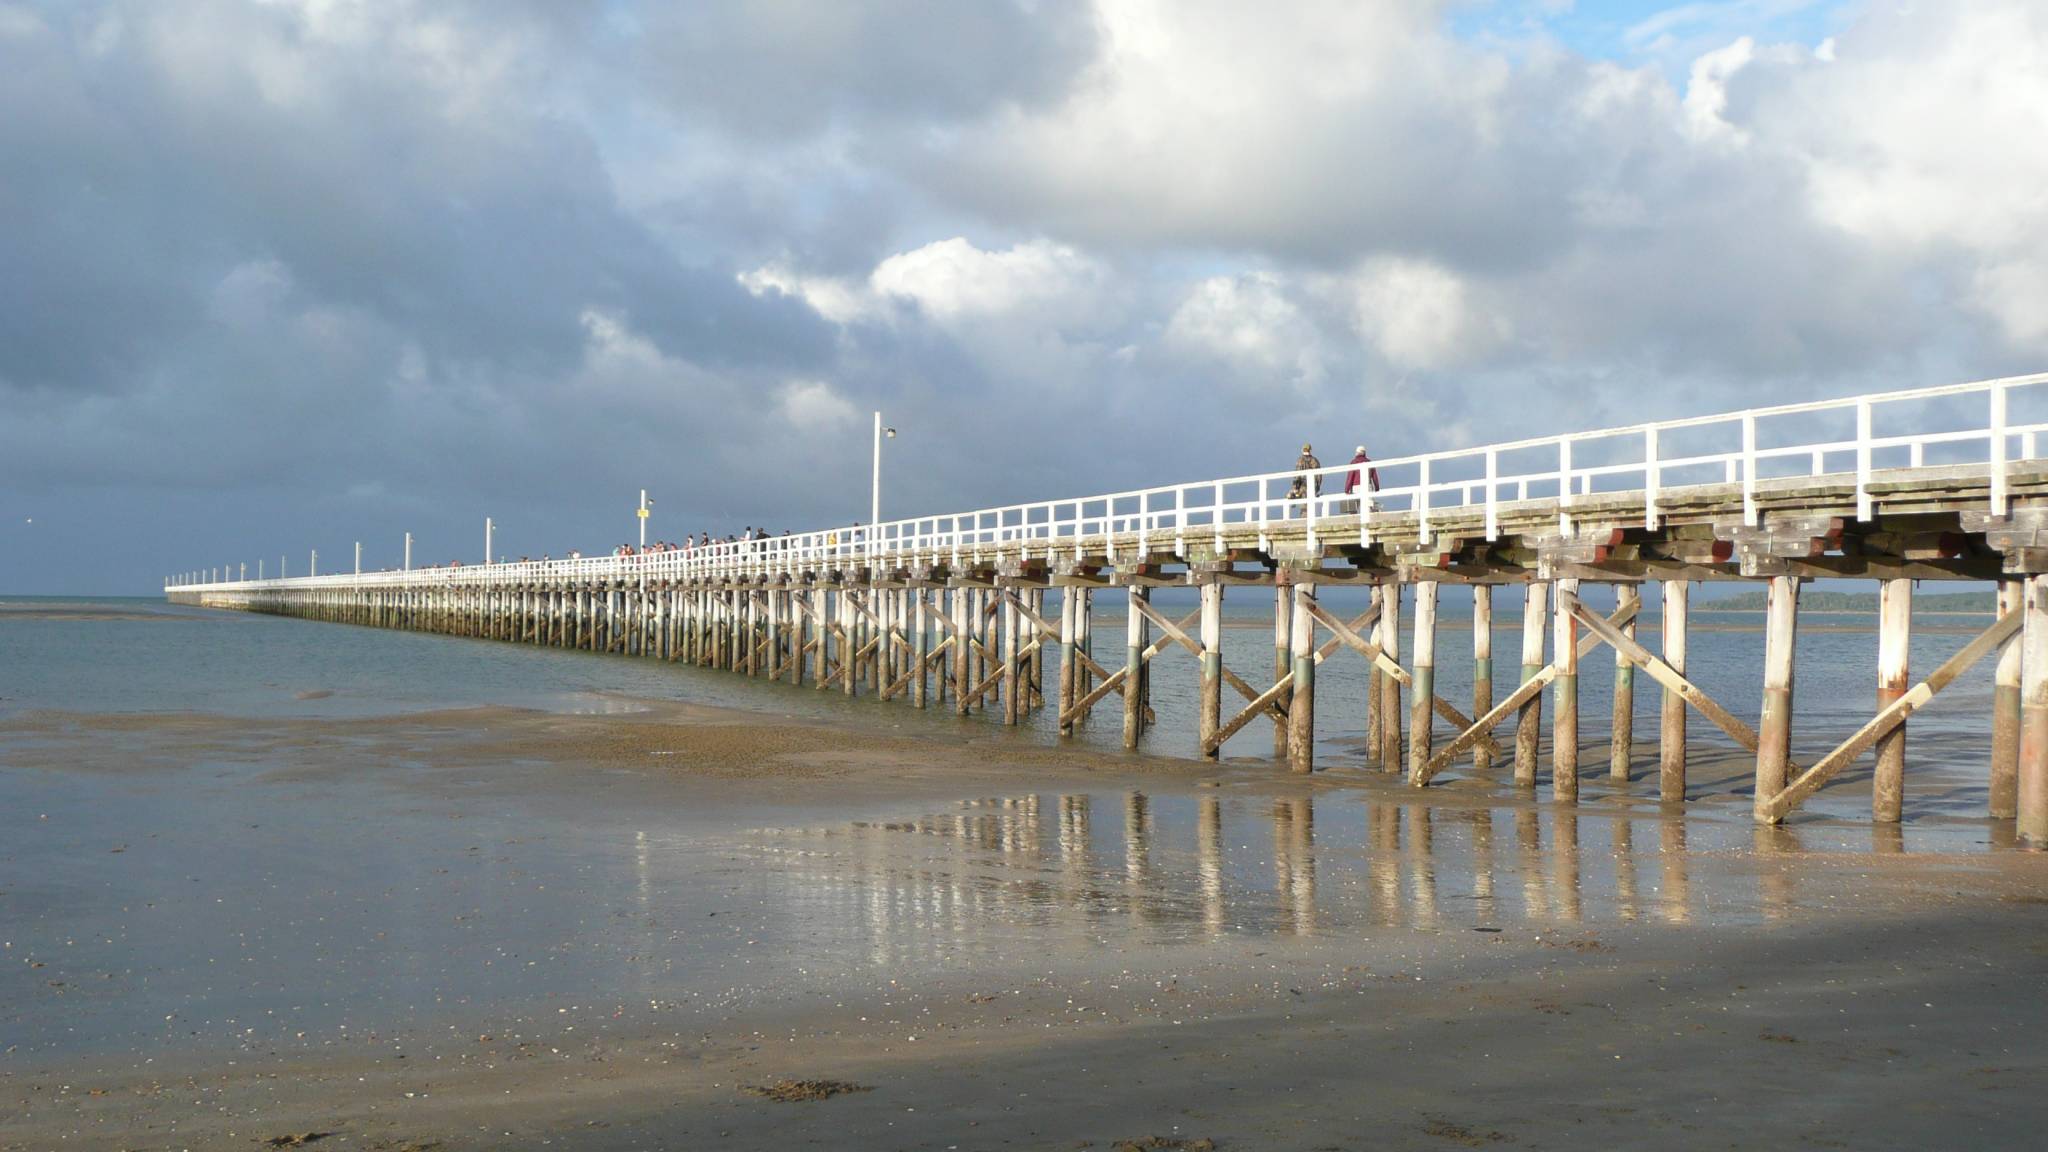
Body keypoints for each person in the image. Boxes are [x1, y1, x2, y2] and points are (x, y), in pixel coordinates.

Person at [1341, 444, 1381, 514]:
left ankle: (1354, 521)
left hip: (1356, 487)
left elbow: (1350, 477)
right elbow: (1374, 477)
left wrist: (1346, 489)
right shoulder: (1369, 462)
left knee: (1354, 507)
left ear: (1356, 453)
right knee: (1369, 506)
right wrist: (1377, 488)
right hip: (1368, 486)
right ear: (1365, 453)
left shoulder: (1353, 462)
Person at [1287, 442, 1321, 517]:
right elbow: (1319, 476)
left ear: (1302, 450)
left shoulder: (1300, 460)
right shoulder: (1315, 461)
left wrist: (1295, 488)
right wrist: (1317, 488)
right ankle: (1311, 519)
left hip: (1303, 486)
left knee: (1304, 506)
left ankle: (1305, 520)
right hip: (1313, 486)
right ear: (1310, 450)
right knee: (1311, 505)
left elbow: (1297, 476)